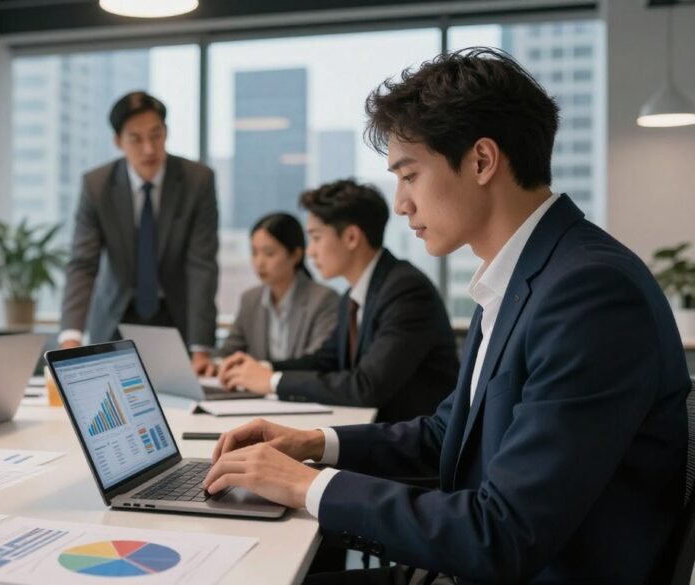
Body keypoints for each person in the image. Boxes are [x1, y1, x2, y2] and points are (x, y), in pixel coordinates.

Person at [204, 48, 691, 585]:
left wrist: (305, 486)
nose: (400, 204)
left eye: (409, 175)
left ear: (481, 161)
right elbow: (447, 432)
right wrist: (314, 444)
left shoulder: (589, 293)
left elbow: (503, 535)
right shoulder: (523, 275)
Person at [218, 180, 458, 422]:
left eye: (316, 238)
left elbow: (366, 387)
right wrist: (264, 368)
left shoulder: (405, 291)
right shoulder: (353, 297)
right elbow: (325, 361)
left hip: (414, 444)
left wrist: (271, 381)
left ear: (351, 237)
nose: (310, 252)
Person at [59, 91, 219, 375]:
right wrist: (71, 335)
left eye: (156, 135)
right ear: (118, 141)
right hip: (114, 317)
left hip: (176, 316)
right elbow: (83, 263)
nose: (149, 149)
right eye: (136, 138)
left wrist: (201, 347)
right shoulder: (97, 186)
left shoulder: (197, 181)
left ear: (166, 133)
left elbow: (202, 265)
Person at [214, 212, 338, 364]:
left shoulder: (323, 300)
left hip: (296, 386)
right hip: (255, 387)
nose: (259, 262)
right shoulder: (250, 299)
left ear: (296, 255)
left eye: (269, 253)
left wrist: (265, 371)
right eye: (254, 252)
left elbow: (318, 361)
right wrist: (214, 364)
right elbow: (228, 351)